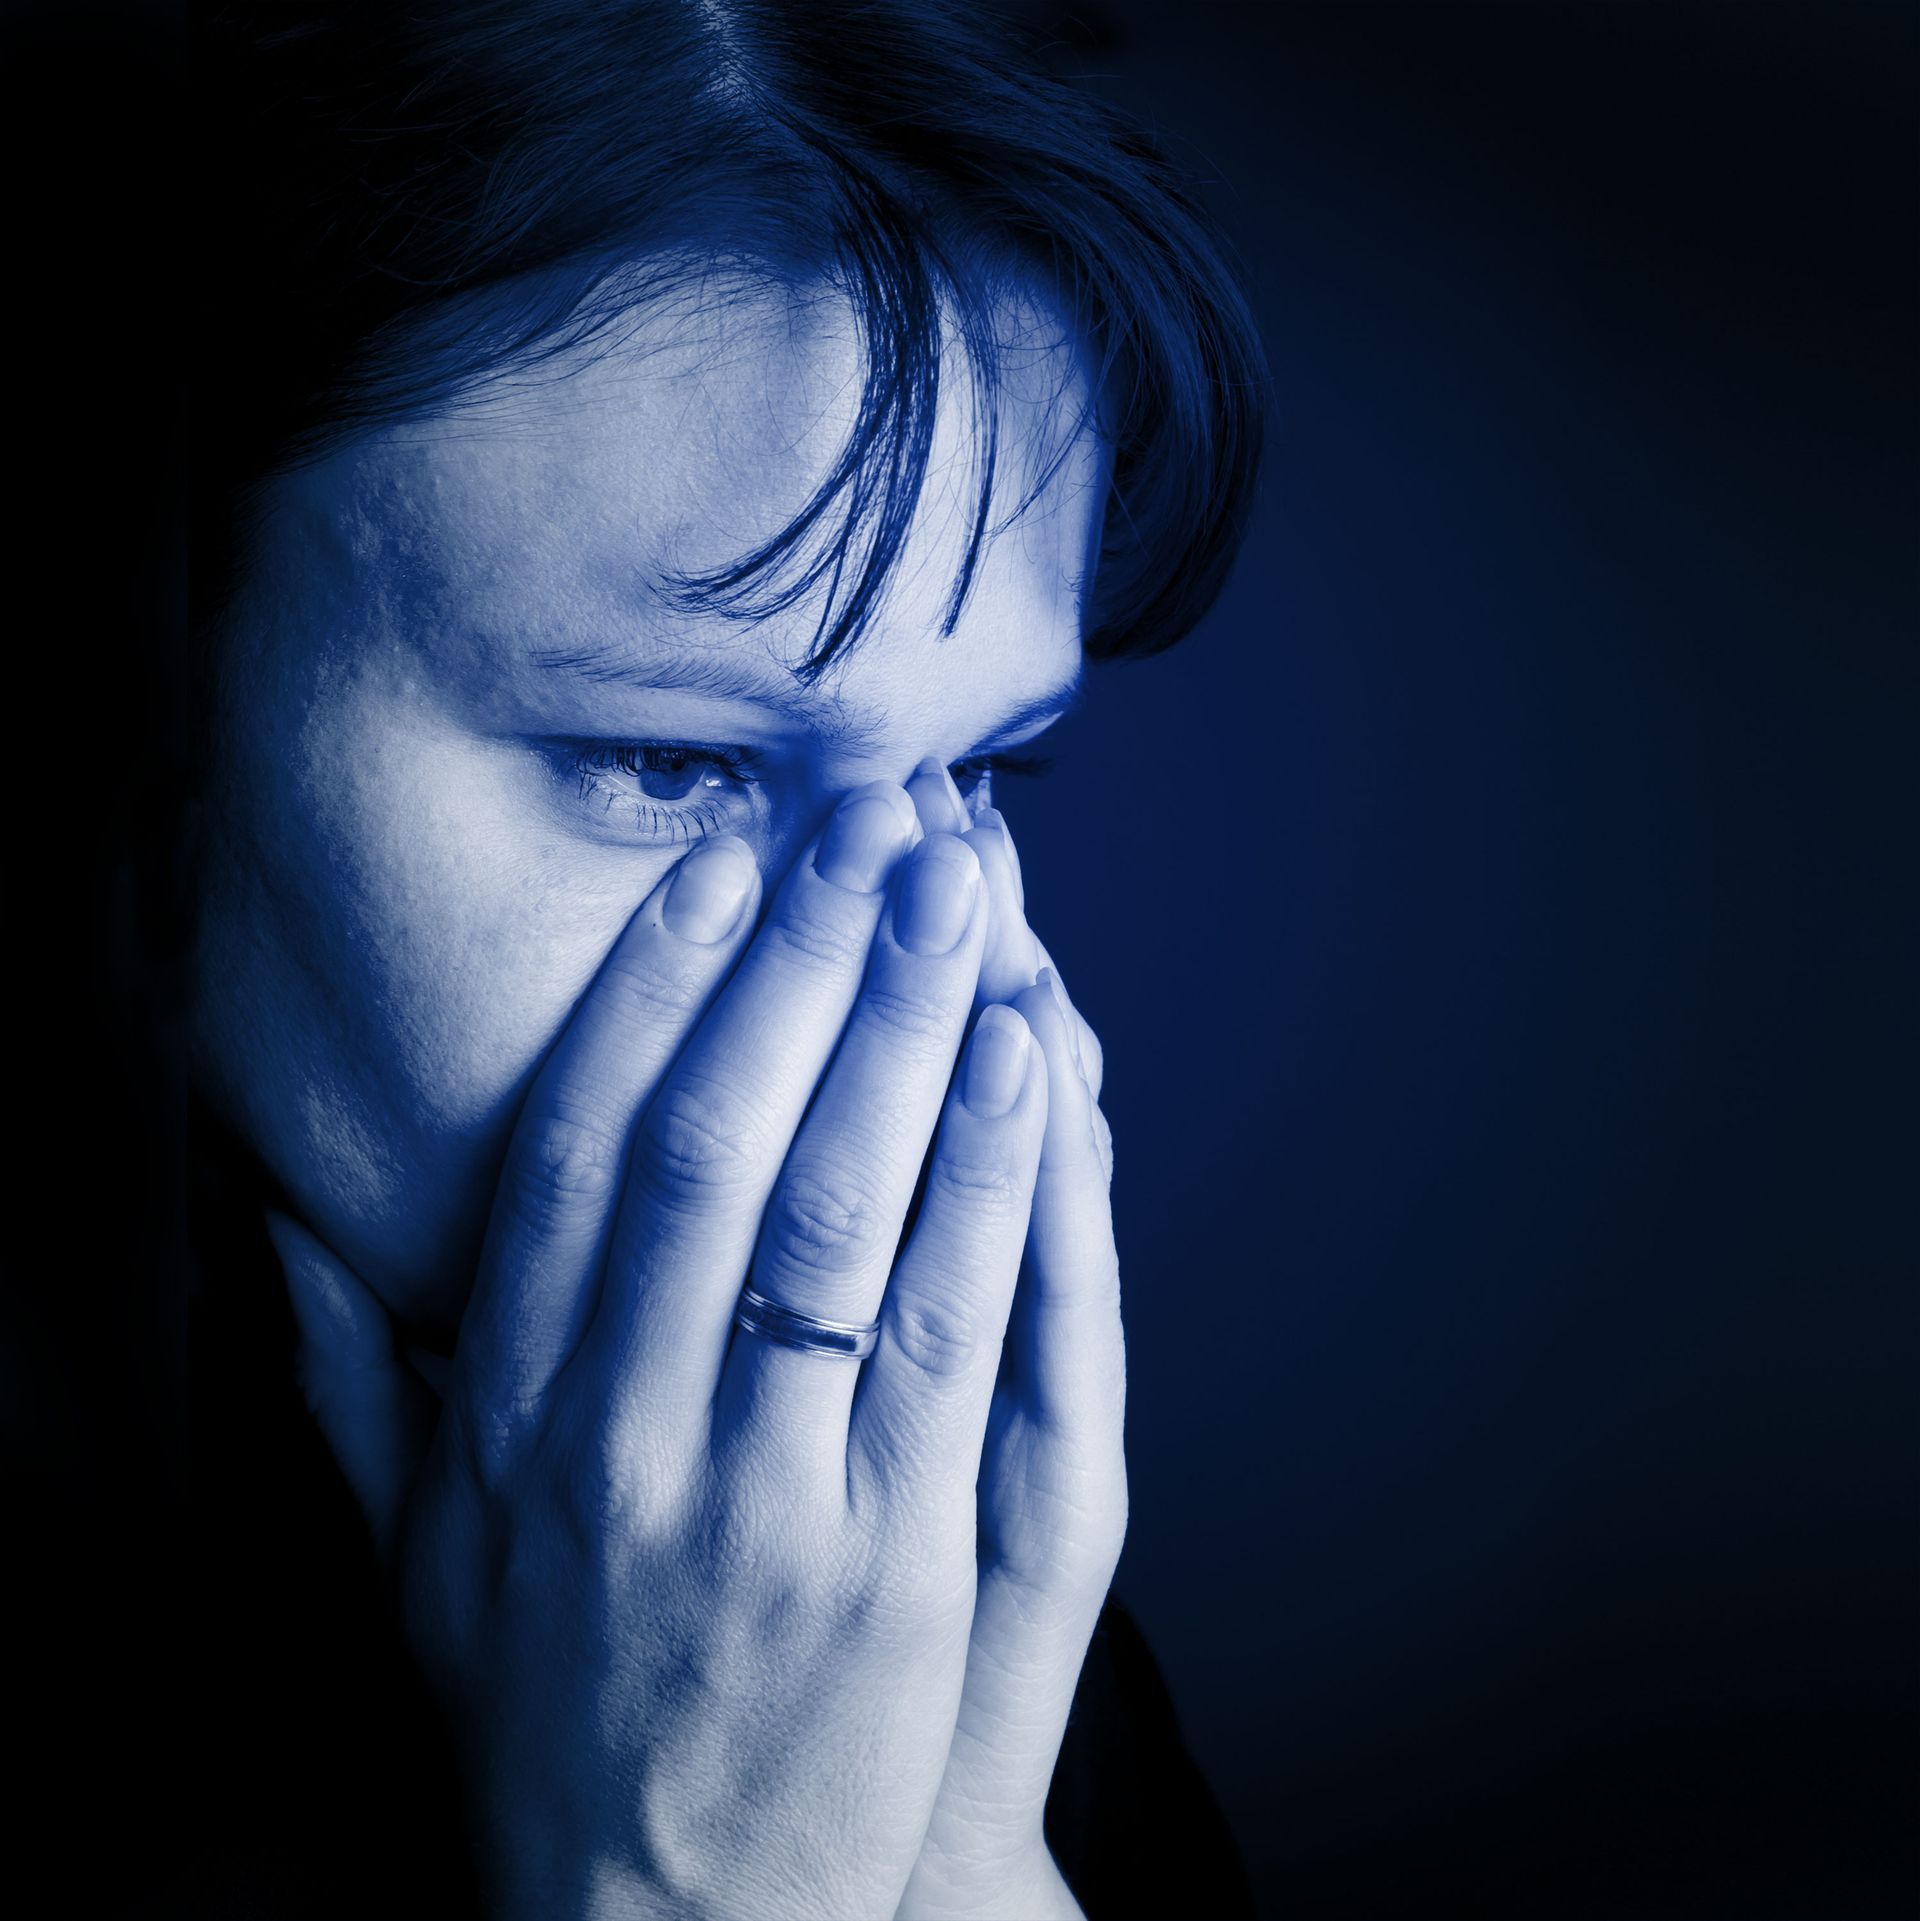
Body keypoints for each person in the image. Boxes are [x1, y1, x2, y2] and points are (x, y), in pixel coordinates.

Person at [185, 2, 1267, 1913]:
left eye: (981, 771)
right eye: (667, 763)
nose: (907, 985)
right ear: (157, 683)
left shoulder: (932, 1599)